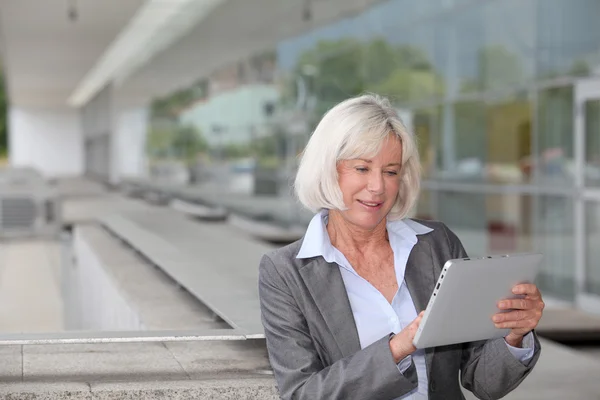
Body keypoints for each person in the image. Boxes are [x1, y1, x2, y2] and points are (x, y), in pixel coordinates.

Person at [258, 94, 544, 400]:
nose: (378, 187)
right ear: (327, 169)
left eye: (390, 171)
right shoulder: (285, 272)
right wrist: (397, 348)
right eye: (362, 168)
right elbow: (303, 393)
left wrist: (515, 335)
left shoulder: (436, 244)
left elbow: (484, 382)